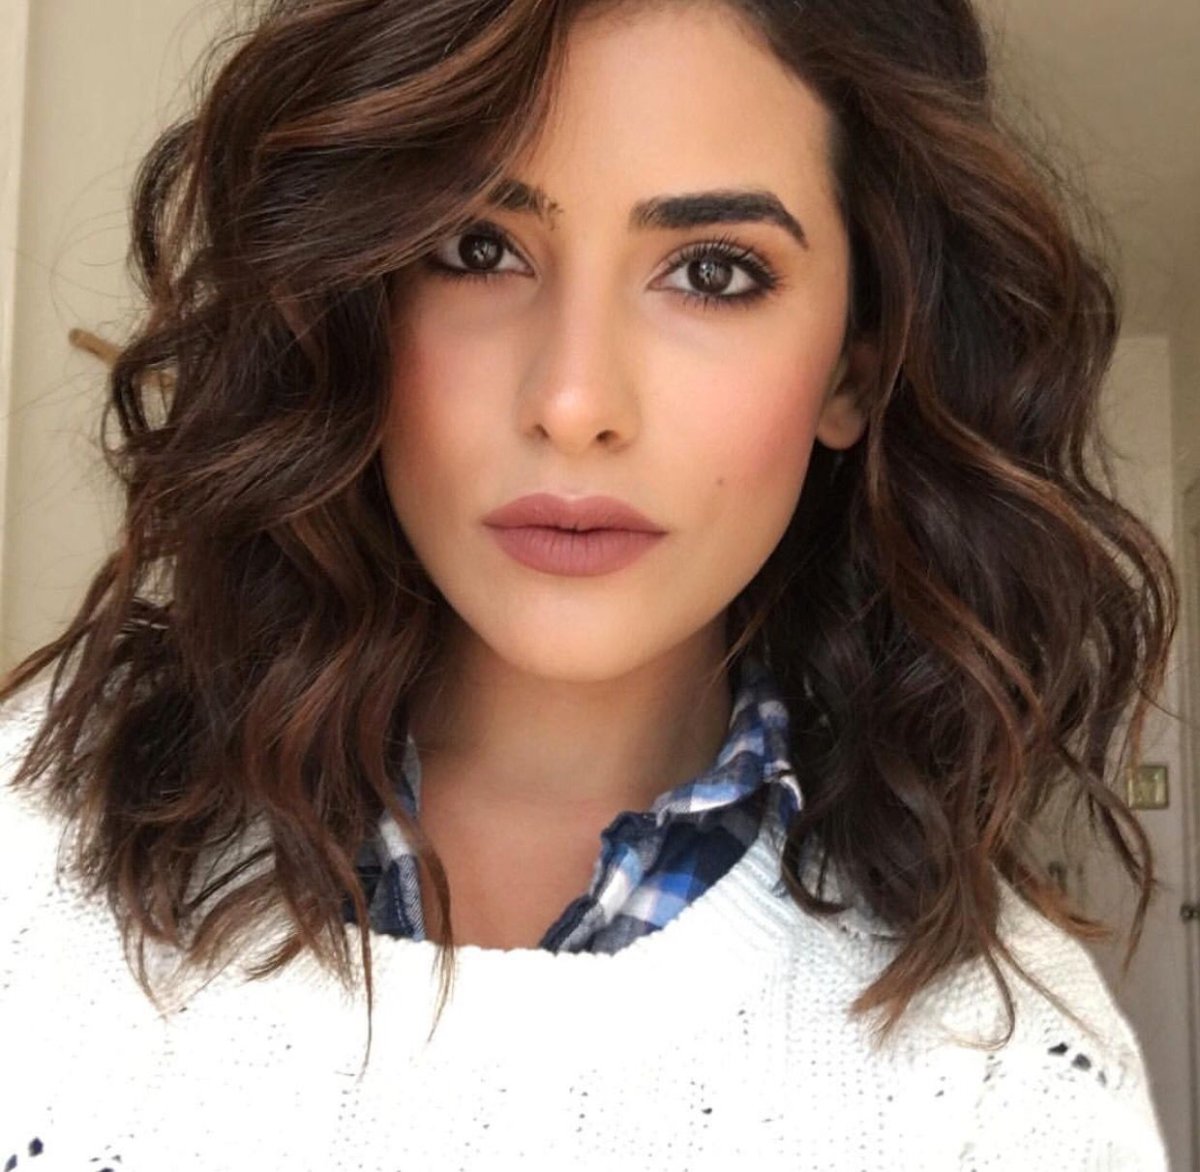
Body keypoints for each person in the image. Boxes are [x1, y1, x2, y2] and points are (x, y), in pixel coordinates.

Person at [0, 0, 1179, 1167]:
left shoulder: (1004, 1079)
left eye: (713, 270)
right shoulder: (36, 833)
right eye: (477, 249)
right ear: (357, 295)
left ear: (853, 370)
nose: (573, 403)